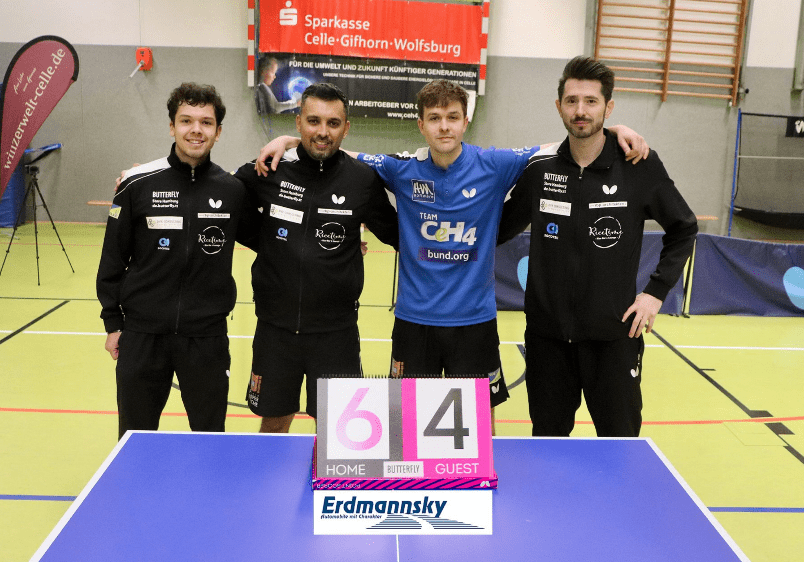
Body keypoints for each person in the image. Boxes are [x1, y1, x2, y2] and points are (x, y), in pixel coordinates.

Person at [256, 79, 649, 433]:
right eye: (434, 118)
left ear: (465, 123)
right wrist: (290, 141)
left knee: (479, 424)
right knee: (406, 426)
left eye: (452, 117)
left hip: (474, 323)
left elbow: (558, 146)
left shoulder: (495, 165)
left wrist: (611, 130)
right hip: (415, 322)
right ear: (421, 125)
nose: (444, 126)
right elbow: (339, 149)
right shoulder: (402, 170)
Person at [499, 56, 698, 437]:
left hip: (614, 340)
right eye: (572, 100)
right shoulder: (540, 170)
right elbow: (498, 229)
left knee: (620, 442)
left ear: (608, 107)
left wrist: (655, 293)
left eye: (591, 101)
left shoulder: (637, 164)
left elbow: (684, 227)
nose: (580, 110)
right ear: (559, 106)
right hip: (547, 339)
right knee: (549, 444)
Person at [97, 83, 258, 439]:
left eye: (206, 122)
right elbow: (112, 259)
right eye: (186, 120)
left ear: (218, 131)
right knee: (135, 437)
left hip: (206, 337)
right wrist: (113, 323)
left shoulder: (232, 190)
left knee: (209, 436)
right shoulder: (136, 184)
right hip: (142, 335)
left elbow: (271, 240)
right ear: (172, 126)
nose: (196, 130)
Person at [235, 83, 399, 433]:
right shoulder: (269, 169)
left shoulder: (362, 180)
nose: (323, 131)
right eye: (313, 121)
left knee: (337, 432)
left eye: (333, 123)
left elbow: (399, 234)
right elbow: (219, 197)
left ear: (346, 128)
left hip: (336, 334)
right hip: (275, 330)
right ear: (298, 123)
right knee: (274, 423)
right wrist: (272, 244)